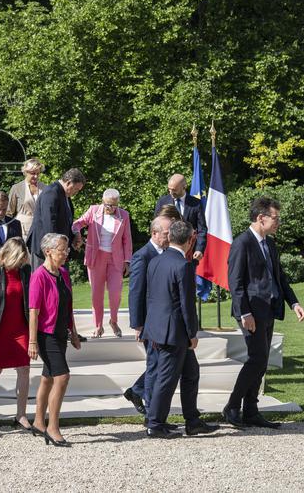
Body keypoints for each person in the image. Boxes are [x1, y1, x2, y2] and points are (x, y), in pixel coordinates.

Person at [224, 196, 304, 430]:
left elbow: (279, 277)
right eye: (275, 218)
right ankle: (232, 406)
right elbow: (236, 283)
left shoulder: (269, 243)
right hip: (250, 312)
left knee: (261, 362)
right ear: (261, 218)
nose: (278, 222)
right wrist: (244, 313)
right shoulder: (242, 243)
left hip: (269, 309)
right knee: (257, 359)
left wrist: (294, 303)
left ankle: (251, 411)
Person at [142, 220, 218, 438]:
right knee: (166, 378)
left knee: (191, 373)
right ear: (191, 239)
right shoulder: (183, 265)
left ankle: (192, 421)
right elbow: (186, 305)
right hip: (174, 332)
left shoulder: (156, 261)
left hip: (158, 327)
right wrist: (192, 334)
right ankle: (155, 423)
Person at [27, 233, 81, 447]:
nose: (66, 253)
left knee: (48, 378)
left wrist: (74, 333)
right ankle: (53, 427)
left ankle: (39, 422)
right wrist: (32, 342)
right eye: (62, 249)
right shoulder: (39, 276)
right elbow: (33, 311)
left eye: (67, 250)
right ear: (48, 251)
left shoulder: (64, 274)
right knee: (62, 377)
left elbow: (68, 307)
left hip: (60, 333)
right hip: (45, 334)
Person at [0, 237, 33, 428]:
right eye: (19, 258)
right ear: (9, 255)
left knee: (24, 369)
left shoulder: (26, 271)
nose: (21, 262)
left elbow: (30, 300)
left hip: (21, 327)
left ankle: (21, 414)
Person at [123, 215, 171, 415]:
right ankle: (152, 412)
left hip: (164, 321)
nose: (170, 237)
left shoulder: (167, 252)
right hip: (150, 323)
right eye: (167, 233)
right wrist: (138, 324)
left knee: (163, 363)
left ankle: (137, 391)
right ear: (155, 233)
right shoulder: (143, 256)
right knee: (155, 364)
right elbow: (136, 291)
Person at [72, 188, 134, 338]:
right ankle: (98, 325)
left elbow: (127, 240)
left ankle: (113, 320)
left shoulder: (123, 215)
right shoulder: (94, 211)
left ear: (117, 203)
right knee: (96, 294)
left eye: (113, 205)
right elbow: (77, 224)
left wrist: (127, 261)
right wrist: (77, 233)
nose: (109, 208)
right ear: (102, 201)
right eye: (107, 204)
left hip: (115, 258)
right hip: (96, 256)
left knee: (115, 292)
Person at [26, 168, 86, 270]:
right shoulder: (51, 193)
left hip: (58, 249)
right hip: (47, 251)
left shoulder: (64, 194)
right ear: (68, 183)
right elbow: (49, 224)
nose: (76, 192)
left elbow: (66, 222)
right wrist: (55, 250)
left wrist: (74, 237)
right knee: (46, 283)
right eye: (76, 189)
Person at [154, 173, 208, 264]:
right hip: (166, 251)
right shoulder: (162, 202)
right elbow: (156, 226)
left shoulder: (196, 204)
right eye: (169, 189)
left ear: (184, 187)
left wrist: (199, 250)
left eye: (174, 190)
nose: (171, 192)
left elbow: (202, 229)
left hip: (188, 253)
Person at [6, 158, 44, 235]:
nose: (36, 176)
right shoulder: (16, 188)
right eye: (33, 173)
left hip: (41, 229)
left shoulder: (44, 188)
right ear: (26, 172)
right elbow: (8, 212)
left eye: (38, 173)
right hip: (21, 230)